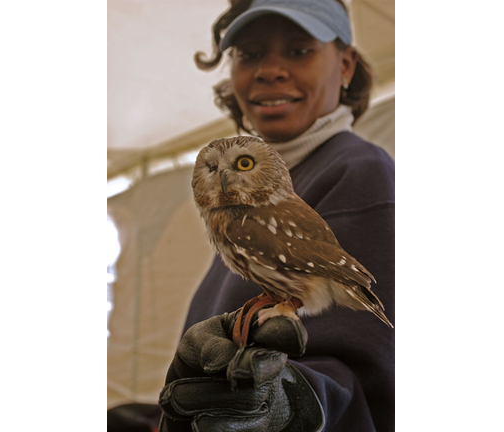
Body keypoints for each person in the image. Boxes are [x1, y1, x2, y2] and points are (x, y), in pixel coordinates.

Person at [158, 0, 394, 430]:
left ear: (345, 67)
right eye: (249, 54)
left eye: (299, 50)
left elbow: (370, 367)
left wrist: (288, 402)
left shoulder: (359, 172)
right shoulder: (239, 196)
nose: (270, 69)